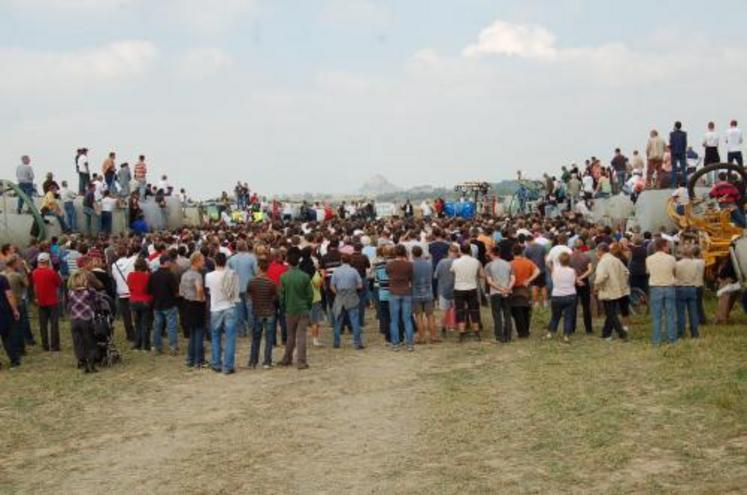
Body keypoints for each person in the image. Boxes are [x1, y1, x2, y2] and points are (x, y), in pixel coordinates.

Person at [278, 248, 314, 369]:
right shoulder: (305, 277)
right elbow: (310, 295)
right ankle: (301, 361)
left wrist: (284, 307)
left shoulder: (284, 277)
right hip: (302, 308)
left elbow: (281, 295)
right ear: (298, 262)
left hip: (290, 309)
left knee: (290, 335)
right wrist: (308, 306)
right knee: (301, 336)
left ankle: (287, 358)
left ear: (288, 263)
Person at [205, 252, 239, 374]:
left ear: (215, 262)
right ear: (226, 262)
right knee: (230, 337)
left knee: (215, 336)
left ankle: (216, 363)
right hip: (229, 306)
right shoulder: (232, 274)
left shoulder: (209, 276)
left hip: (216, 307)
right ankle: (228, 366)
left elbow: (209, 290)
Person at [594, 243, 629, 342]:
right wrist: (621, 283)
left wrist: (596, 286)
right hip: (617, 289)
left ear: (601, 251)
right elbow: (626, 272)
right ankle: (606, 334)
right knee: (611, 312)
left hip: (607, 290)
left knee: (611, 314)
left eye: (597, 251)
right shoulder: (616, 260)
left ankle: (622, 333)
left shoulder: (603, 262)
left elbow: (600, 277)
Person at [247, 256, 278, 368]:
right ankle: (267, 361)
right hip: (269, 311)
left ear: (259, 268)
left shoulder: (252, 282)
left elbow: (249, 294)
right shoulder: (271, 283)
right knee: (269, 338)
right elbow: (275, 297)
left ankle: (253, 361)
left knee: (256, 337)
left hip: (257, 310)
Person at [66, 270, 99, 373]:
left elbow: (68, 306)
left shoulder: (70, 293)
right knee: (90, 342)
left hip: (74, 320)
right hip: (86, 319)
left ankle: (82, 361)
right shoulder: (90, 292)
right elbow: (96, 302)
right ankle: (91, 364)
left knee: (78, 343)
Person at [451, 243, 484, 342]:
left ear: (460, 251)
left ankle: (461, 333)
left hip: (459, 287)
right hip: (472, 287)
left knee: (460, 310)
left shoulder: (456, 262)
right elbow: (482, 275)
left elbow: (452, 272)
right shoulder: (476, 261)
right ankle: (476, 332)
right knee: (474, 310)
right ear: (470, 250)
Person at [646, 238, 677, 345]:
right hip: (669, 287)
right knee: (670, 314)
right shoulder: (671, 258)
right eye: (667, 245)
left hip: (655, 287)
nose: (668, 247)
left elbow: (648, 271)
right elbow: (674, 271)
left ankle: (656, 340)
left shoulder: (649, 259)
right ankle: (671, 338)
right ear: (663, 246)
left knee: (656, 316)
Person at [330, 253, 364, 349]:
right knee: (354, 320)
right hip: (352, 296)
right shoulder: (354, 271)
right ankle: (357, 343)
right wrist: (353, 288)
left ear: (341, 260)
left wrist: (337, 293)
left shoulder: (336, 271)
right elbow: (360, 285)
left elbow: (332, 286)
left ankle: (336, 342)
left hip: (340, 296)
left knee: (338, 320)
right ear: (350, 261)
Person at [148, 254, 180, 355]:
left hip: (157, 304)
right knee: (171, 326)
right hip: (169, 304)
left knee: (157, 326)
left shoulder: (153, 275)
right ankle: (173, 347)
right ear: (166, 262)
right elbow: (176, 291)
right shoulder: (170, 275)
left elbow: (149, 290)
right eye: (170, 262)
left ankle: (157, 347)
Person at [180, 252, 207, 368]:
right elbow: (199, 289)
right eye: (202, 260)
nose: (204, 262)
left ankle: (190, 359)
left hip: (187, 304)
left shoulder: (184, 275)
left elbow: (181, 291)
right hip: (197, 305)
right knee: (199, 334)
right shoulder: (197, 275)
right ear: (196, 261)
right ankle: (199, 360)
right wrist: (201, 299)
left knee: (192, 334)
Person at [32, 253, 62, 352]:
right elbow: (59, 283)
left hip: (41, 301)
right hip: (52, 300)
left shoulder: (35, 272)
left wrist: (36, 297)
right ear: (47, 261)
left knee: (43, 325)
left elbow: (35, 286)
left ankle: (45, 345)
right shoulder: (51, 272)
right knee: (54, 324)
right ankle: (55, 346)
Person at [228, 241, 258, 338]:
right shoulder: (251, 258)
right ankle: (252, 330)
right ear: (245, 247)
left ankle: (241, 331)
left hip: (236, 287)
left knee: (238, 310)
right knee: (250, 310)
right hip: (249, 287)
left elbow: (228, 274)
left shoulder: (231, 259)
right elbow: (256, 271)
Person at [386, 244, 414, 351]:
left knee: (394, 320)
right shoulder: (409, 265)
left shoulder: (389, 265)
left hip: (394, 292)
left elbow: (388, 275)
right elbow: (411, 277)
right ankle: (410, 344)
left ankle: (395, 344)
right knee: (407, 319)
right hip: (406, 292)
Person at [509, 244, 540, 338]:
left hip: (515, 290)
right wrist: (529, 280)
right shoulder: (528, 262)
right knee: (526, 310)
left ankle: (521, 332)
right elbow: (537, 271)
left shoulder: (510, 264)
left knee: (517, 311)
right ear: (522, 252)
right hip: (526, 289)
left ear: (512, 253)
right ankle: (526, 330)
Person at [546, 252, 577, 343]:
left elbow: (548, 263)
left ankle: (550, 333)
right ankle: (566, 335)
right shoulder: (572, 271)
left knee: (555, 316)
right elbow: (574, 282)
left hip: (557, 295)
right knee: (568, 316)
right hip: (570, 295)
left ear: (559, 260)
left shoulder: (554, 270)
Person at [485, 246, 514, 343]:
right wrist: (508, 288)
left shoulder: (489, 266)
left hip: (495, 292)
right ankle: (508, 335)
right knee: (507, 313)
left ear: (492, 253)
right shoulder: (508, 264)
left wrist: (500, 289)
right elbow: (513, 278)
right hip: (507, 291)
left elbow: (490, 282)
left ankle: (499, 336)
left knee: (497, 315)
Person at [411, 245, 439, 344]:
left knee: (418, 316)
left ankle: (422, 337)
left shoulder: (412, 265)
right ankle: (434, 336)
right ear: (421, 253)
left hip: (416, 293)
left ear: (413, 254)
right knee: (430, 315)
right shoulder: (429, 264)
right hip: (428, 292)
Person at [111, 246, 136, 342]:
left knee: (126, 315)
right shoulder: (132, 261)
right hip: (131, 290)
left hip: (121, 292)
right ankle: (137, 332)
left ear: (117, 253)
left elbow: (115, 277)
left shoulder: (114, 265)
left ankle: (130, 334)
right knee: (135, 314)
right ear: (127, 252)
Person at [127, 257, 152, 351]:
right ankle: (146, 345)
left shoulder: (130, 275)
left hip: (133, 300)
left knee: (137, 324)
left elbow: (130, 287)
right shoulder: (147, 276)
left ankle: (137, 343)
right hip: (145, 300)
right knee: (145, 324)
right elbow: (149, 289)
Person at [675, 246, 700, 339]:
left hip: (680, 288)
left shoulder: (677, 264)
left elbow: (675, 275)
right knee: (693, 312)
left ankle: (681, 333)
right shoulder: (695, 264)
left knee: (681, 313)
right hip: (692, 288)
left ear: (682, 254)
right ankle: (695, 333)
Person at [569, 239, 593, 334]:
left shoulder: (569, 257)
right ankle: (588, 329)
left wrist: (576, 279)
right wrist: (581, 278)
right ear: (582, 246)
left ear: (574, 246)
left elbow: (568, 270)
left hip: (572, 282)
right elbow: (590, 270)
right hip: (584, 282)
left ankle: (572, 328)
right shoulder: (586, 257)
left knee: (573, 306)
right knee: (586, 306)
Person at [0, 269, 21, 369]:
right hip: (3, 311)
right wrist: (15, 310)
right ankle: (14, 360)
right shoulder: (2, 279)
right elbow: (9, 295)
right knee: (7, 337)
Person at [669, 121, 688, 188]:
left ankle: (674, 184)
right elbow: (685, 143)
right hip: (682, 153)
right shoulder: (684, 134)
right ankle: (686, 184)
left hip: (674, 153)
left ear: (675, 126)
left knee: (674, 169)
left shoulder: (672, 134)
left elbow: (671, 143)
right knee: (683, 169)